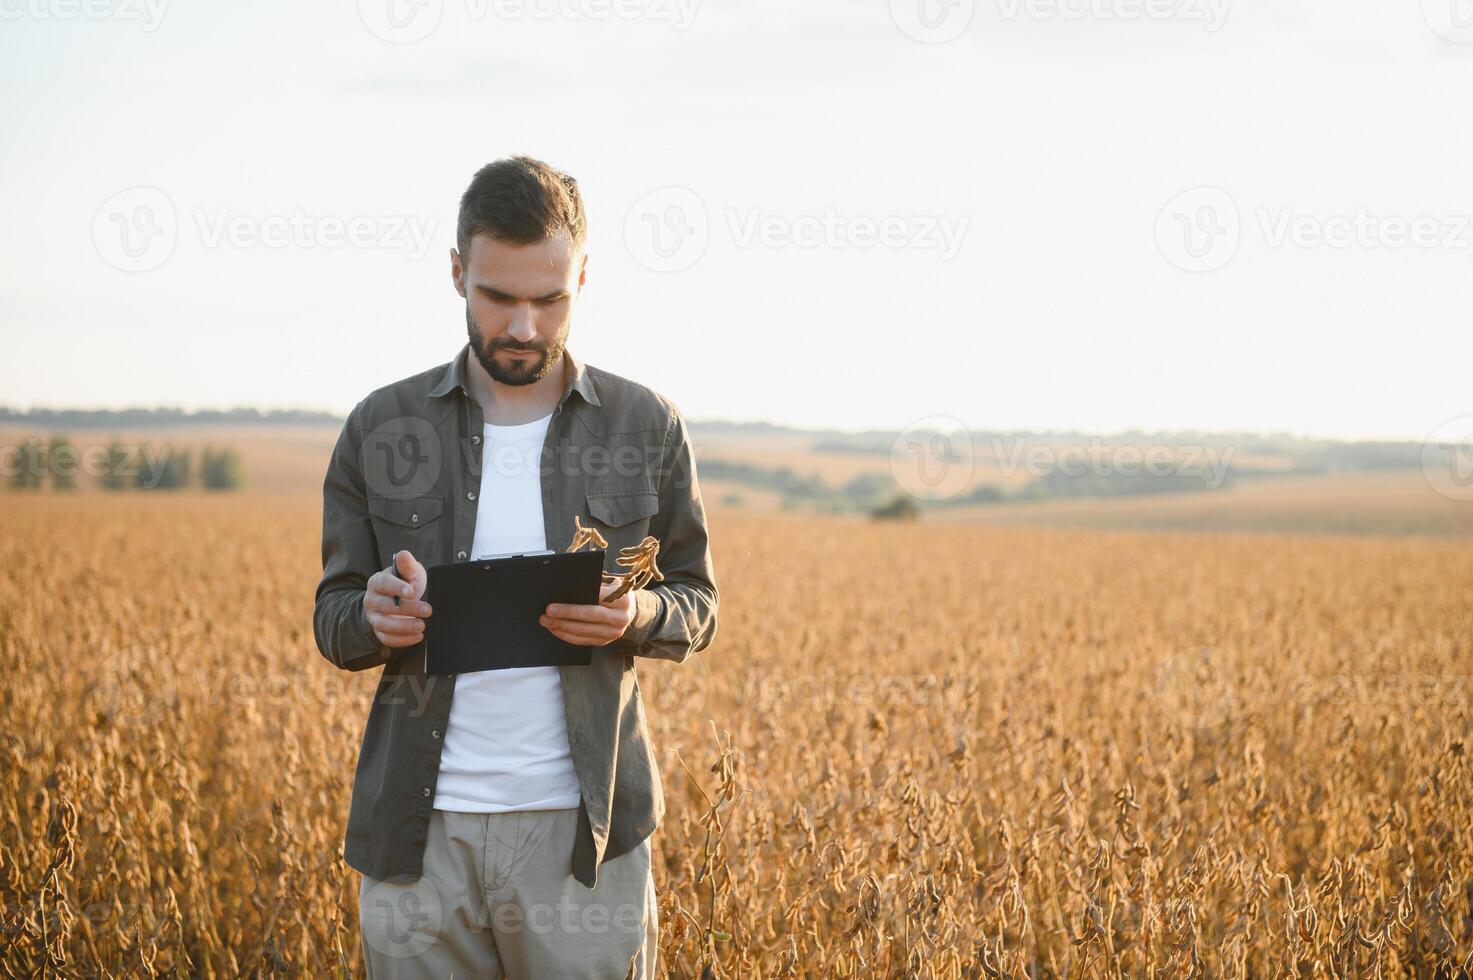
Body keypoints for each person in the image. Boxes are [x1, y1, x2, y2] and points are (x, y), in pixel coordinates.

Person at [312, 155, 719, 978]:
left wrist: (635, 615)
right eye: (498, 297)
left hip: (583, 841)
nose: (524, 327)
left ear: (584, 276)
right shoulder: (381, 425)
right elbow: (334, 615)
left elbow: (697, 601)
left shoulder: (646, 423)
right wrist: (371, 616)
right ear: (457, 271)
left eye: (550, 298)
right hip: (417, 840)